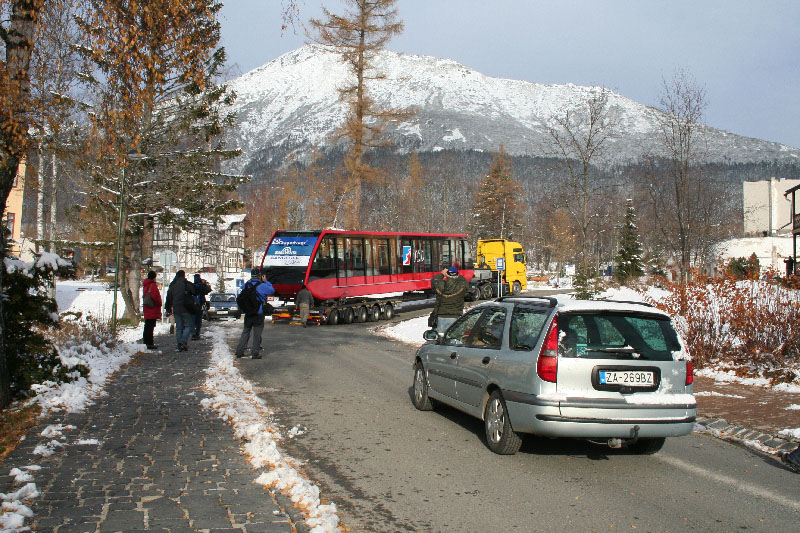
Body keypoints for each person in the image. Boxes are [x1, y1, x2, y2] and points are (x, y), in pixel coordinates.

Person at [235, 268, 275, 359]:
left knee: (245, 332)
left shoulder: (246, 285)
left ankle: (239, 351)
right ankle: (255, 353)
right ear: (259, 276)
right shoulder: (261, 285)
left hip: (248, 313)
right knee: (257, 334)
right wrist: (266, 281)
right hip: (258, 313)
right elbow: (272, 290)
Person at [164, 270, 196, 352]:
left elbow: (169, 298)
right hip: (186, 308)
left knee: (179, 328)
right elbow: (194, 292)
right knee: (188, 326)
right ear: (184, 276)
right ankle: (183, 341)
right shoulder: (187, 284)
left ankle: (179, 345)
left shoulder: (173, 285)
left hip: (176, 309)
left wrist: (168, 308)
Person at [432, 266, 468, 333]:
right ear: (457, 275)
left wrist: (442, 274)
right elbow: (464, 280)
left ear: (447, 275)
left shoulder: (440, 285)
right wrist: (456, 273)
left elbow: (435, 280)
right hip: (456, 315)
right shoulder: (462, 285)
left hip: (441, 315)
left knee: (440, 337)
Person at [142, 270, 162, 350]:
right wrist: (159, 303)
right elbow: (155, 297)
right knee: (150, 326)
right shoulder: (152, 285)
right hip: (152, 308)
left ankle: (146, 342)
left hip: (147, 307)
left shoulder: (145, 285)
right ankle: (149, 343)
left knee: (147, 326)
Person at [191, 273, 212, 339]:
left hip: (192, 306)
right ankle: (197, 333)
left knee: (193, 320)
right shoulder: (202, 286)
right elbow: (208, 290)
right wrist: (205, 283)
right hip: (200, 305)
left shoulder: (192, 286)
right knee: (198, 321)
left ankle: (193, 333)